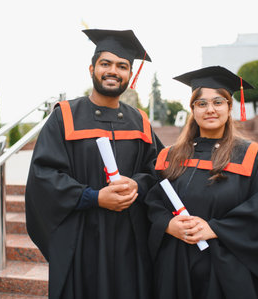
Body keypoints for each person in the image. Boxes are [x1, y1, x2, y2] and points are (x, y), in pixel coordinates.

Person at [145, 66, 258, 299]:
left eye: (218, 102)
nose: (210, 109)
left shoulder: (251, 157)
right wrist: (168, 224)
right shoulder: (169, 156)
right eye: (201, 103)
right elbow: (152, 201)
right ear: (192, 109)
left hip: (225, 271)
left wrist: (215, 228)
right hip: (175, 267)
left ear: (230, 107)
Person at [25, 29, 163, 299]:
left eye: (122, 66)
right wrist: (95, 197)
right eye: (106, 64)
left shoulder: (140, 122)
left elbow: (157, 169)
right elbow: (44, 176)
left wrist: (137, 183)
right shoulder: (64, 116)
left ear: (130, 74)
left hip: (130, 242)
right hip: (83, 238)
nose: (113, 71)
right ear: (92, 68)